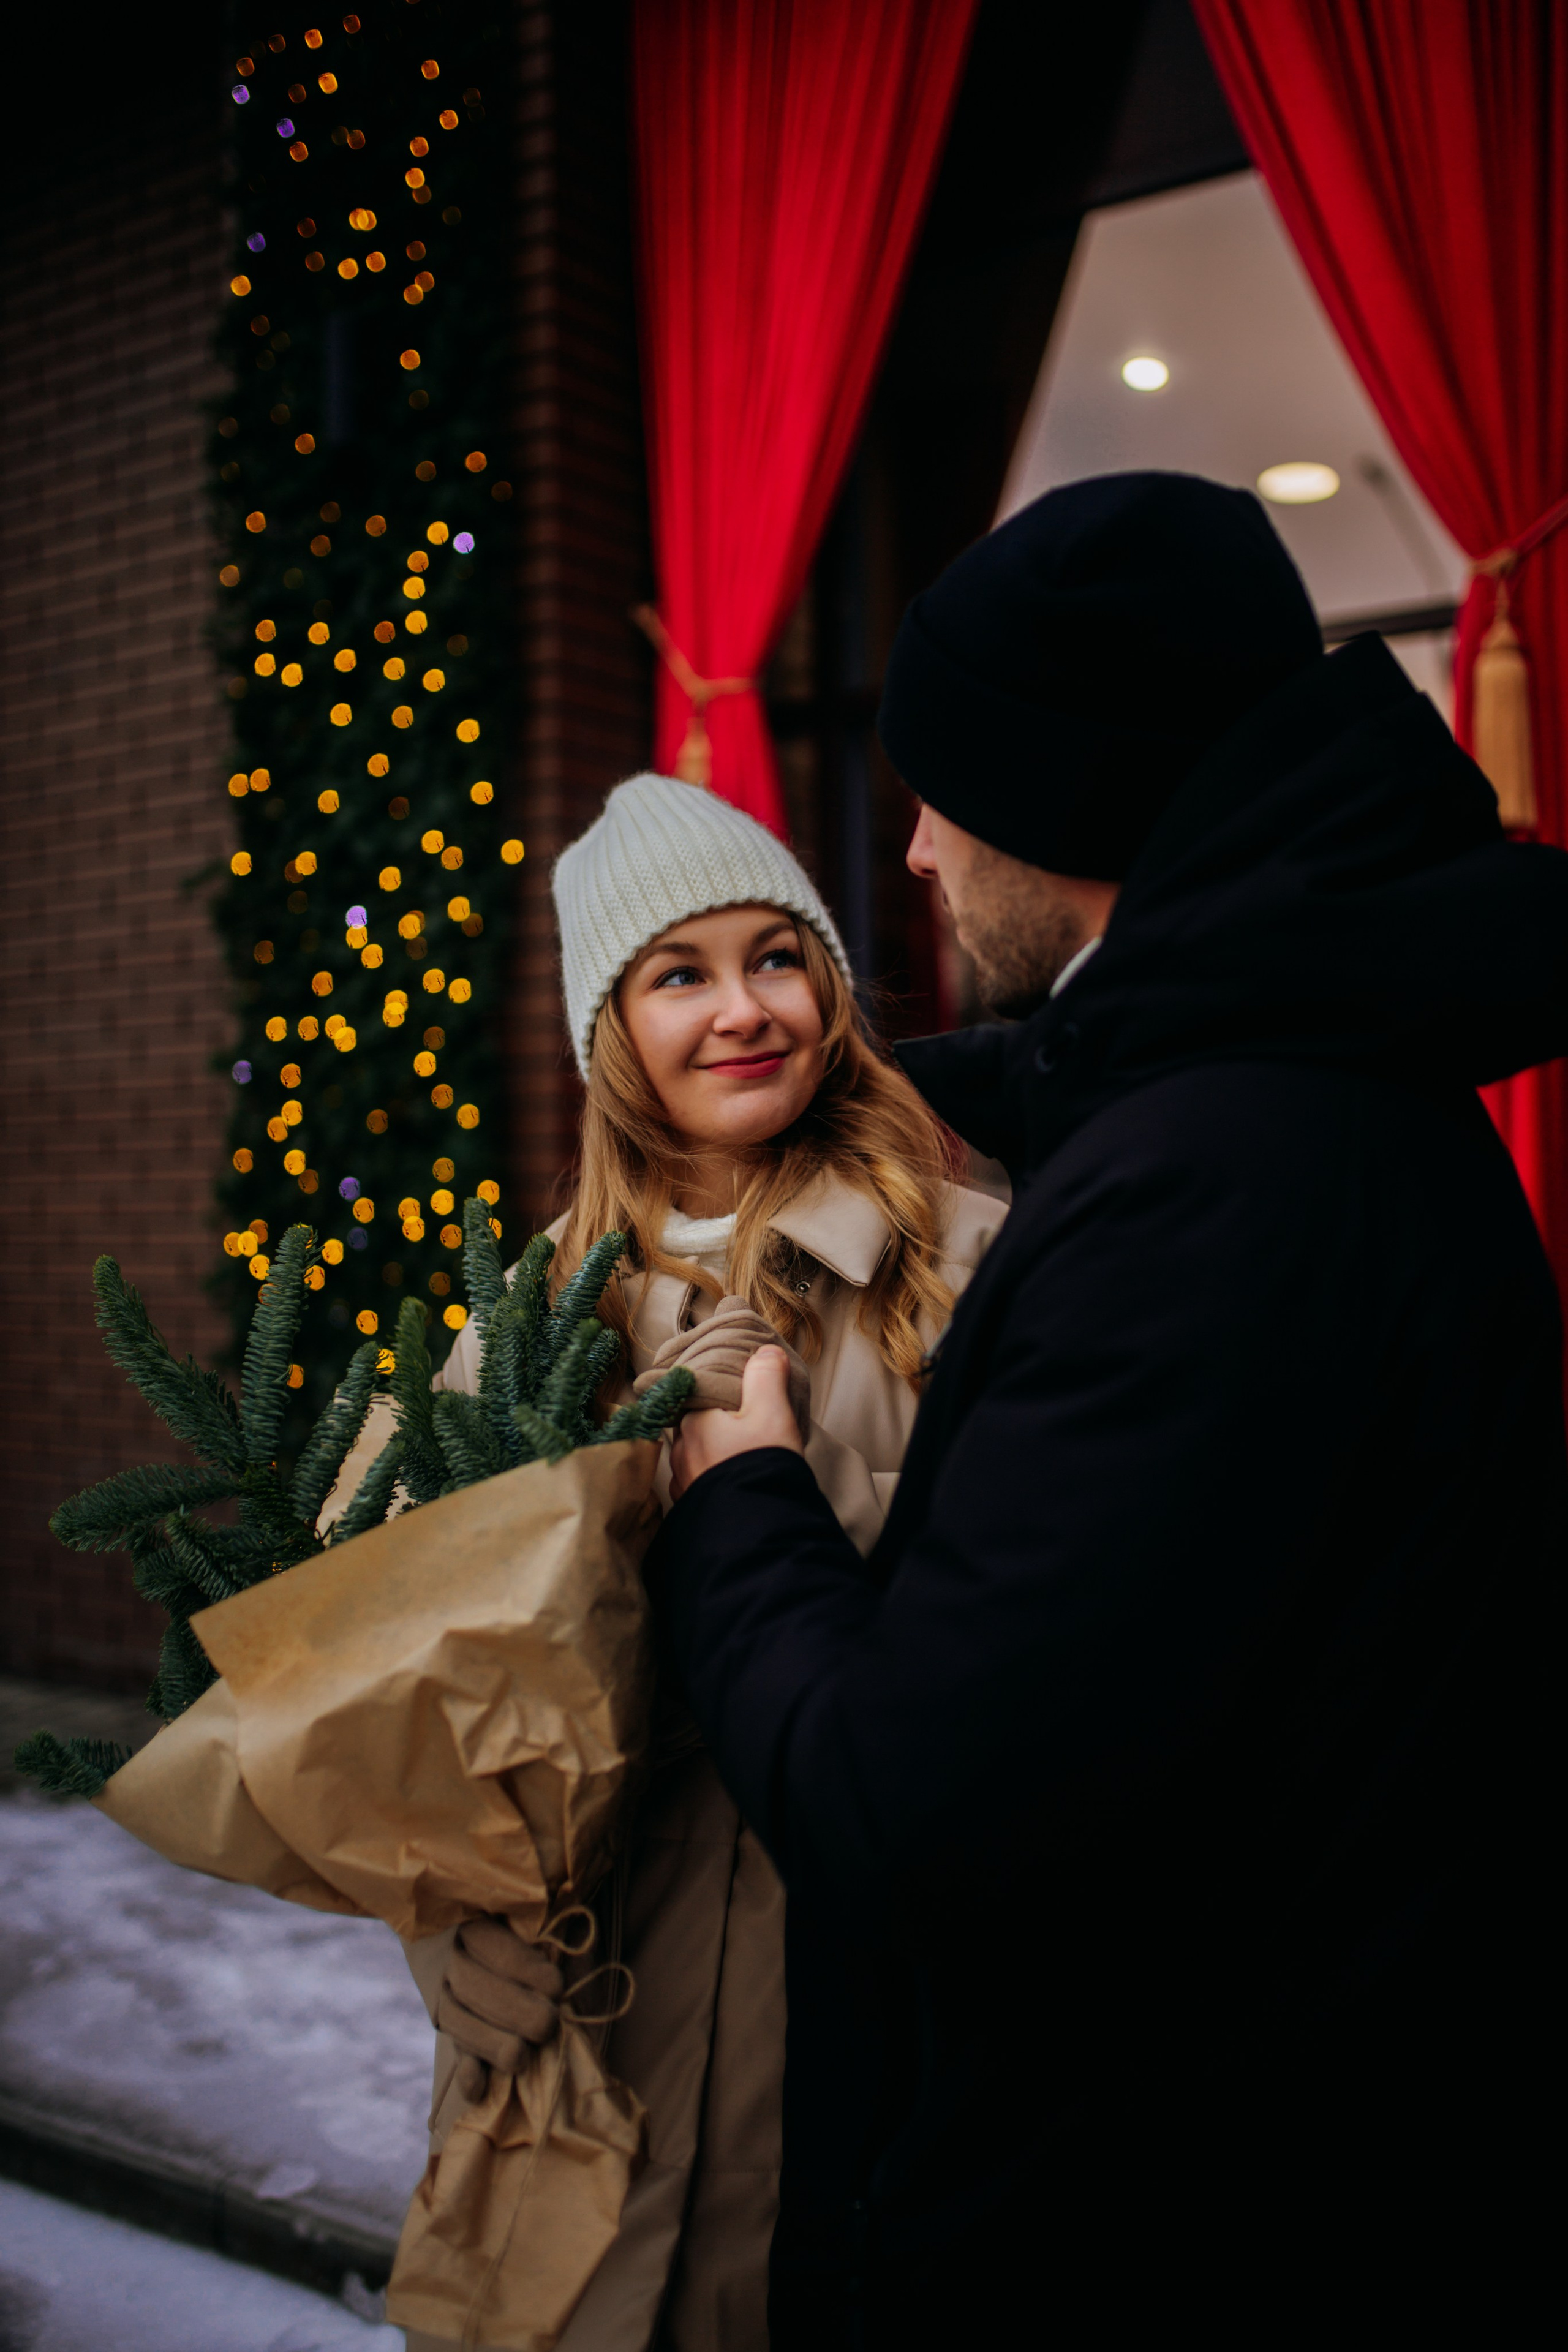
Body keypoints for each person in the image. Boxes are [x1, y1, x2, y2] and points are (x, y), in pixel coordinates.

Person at [650, 473, 1568, 2341]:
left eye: (941, 798)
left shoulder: (1205, 1212)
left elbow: (913, 1813)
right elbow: (1158, 1058)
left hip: (1155, 2235)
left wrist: (738, 1506)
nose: (909, 856)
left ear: (1061, 812)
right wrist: (890, 1090)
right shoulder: (1318, 1080)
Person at [396, 770, 1005, 2352]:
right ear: (614, 1031)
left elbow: (1019, 1639)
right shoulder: (536, 1320)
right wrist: (446, 1926)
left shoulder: (964, 1267)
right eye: (682, 974)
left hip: (866, 2038)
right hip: (600, 2042)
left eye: (778, 957)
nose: (746, 1010)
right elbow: (411, 1677)